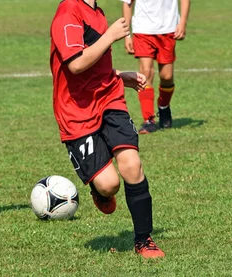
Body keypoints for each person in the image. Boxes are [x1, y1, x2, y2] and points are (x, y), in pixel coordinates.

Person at [50, 0, 165, 258]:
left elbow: (97, 64)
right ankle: (99, 191)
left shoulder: (98, 13)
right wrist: (110, 36)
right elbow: (76, 63)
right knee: (109, 185)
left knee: (132, 165)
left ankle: (143, 240)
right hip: (75, 111)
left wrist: (118, 76)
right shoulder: (68, 11)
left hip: (109, 98)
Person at [122, 0, 190, 134]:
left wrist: (182, 23)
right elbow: (127, 3)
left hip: (168, 29)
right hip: (142, 29)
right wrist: (127, 35)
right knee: (146, 72)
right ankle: (149, 120)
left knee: (167, 76)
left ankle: (163, 106)